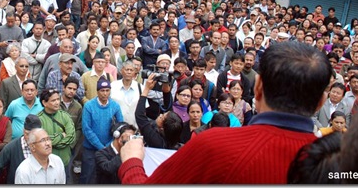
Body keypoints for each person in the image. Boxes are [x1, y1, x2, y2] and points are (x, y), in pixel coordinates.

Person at [117, 41, 333, 184]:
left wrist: (132, 162)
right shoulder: (343, 164)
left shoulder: (215, 144)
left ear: (257, 89)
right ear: (321, 102)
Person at [80, 77, 124, 184]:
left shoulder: (115, 106)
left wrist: (108, 146)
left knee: (107, 179)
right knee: (88, 177)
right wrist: (101, 147)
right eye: (102, 91)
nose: (105, 93)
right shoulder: (89, 106)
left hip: (109, 149)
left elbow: (121, 126)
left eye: (107, 90)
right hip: (91, 149)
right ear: (97, 91)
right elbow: (86, 129)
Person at [0, 114, 43, 184]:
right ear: (23, 130)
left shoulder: (43, 146)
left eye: (34, 135)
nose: (30, 137)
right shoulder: (11, 147)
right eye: (27, 134)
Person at [136, 73, 184, 149]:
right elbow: (168, 107)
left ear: (162, 128)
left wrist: (146, 89)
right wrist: (166, 88)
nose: (161, 115)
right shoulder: (173, 129)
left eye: (162, 117)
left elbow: (140, 116)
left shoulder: (156, 141)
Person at [37, 88, 76, 174]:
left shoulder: (65, 116)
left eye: (58, 99)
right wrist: (61, 136)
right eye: (53, 100)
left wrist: (52, 142)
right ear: (44, 103)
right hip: (46, 164)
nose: (57, 102)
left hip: (64, 162)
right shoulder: (39, 119)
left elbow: (71, 137)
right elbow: (41, 141)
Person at [110, 60, 144, 128]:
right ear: (122, 71)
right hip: (116, 127)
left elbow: (143, 109)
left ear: (134, 72)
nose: (129, 72)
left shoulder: (140, 87)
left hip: (135, 127)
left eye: (131, 70)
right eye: (127, 69)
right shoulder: (113, 86)